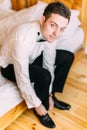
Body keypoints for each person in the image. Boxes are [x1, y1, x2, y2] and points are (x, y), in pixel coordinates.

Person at [0, 2, 74, 128]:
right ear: (43, 20)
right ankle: (41, 112)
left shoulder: (51, 35)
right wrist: (37, 104)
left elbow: (48, 63)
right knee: (43, 76)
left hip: (31, 58)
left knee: (68, 57)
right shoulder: (22, 37)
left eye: (61, 29)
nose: (56, 33)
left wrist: (50, 93)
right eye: (53, 25)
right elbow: (22, 77)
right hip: (9, 66)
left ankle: (53, 97)